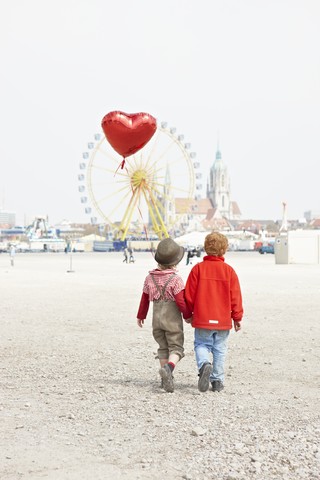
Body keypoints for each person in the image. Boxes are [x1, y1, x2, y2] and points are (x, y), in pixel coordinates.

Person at [185, 232, 243, 393]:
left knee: (201, 344)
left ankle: (204, 364)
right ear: (224, 250)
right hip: (223, 319)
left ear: (206, 248)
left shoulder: (198, 269)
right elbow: (235, 297)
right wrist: (237, 317)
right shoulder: (229, 271)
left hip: (203, 318)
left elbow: (188, 295)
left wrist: (188, 313)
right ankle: (217, 381)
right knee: (220, 349)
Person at [136, 238, 192, 392]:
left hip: (156, 318)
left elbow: (144, 298)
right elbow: (181, 302)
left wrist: (141, 316)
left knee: (162, 347)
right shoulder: (175, 279)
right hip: (171, 319)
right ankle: (168, 368)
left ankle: (165, 380)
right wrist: (188, 316)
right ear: (175, 262)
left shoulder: (149, 278)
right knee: (176, 348)